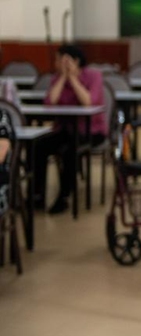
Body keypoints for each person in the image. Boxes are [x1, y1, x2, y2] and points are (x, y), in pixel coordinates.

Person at [35, 44, 107, 214]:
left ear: (76, 61)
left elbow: (88, 102)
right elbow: (50, 103)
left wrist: (73, 78)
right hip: (64, 130)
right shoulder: (56, 78)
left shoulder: (93, 76)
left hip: (91, 132)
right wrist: (63, 77)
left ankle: (64, 196)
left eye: (61, 59)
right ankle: (37, 195)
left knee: (69, 150)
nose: (58, 63)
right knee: (38, 146)